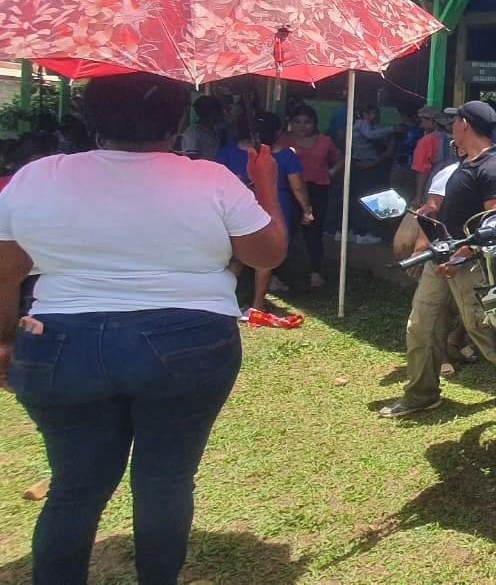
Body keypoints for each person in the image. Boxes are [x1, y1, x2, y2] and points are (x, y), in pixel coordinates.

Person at [0, 72, 286, 583]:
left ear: (90, 118)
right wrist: (264, 181)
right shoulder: (210, 179)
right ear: (177, 121)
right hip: (188, 342)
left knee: (74, 488)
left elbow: (6, 271)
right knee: (165, 481)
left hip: (60, 344)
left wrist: (4, 342)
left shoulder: (37, 177)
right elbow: (266, 254)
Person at [379, 100, 496, 418]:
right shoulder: (465, 164)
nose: (451, 126)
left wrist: (460, 256)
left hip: (468, 265)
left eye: (455, 121)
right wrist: (430, 225)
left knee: (482, 329)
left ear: (465, 124)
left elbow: (494, 222)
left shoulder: (492, 168)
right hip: (440, 259)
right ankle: (422, 394)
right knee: (421, 325)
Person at [219, 112, 314, 312]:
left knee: (236, 256)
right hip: (275, 208)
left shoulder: (228, 152)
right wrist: (307, 210)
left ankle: (223, 300)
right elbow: (297, 186)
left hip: (238, 208)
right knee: (265, 258)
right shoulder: (286, 155)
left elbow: (216, 181)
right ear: (277, 132)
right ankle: (257, 305)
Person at [287, 107, 339, 289]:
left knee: (314, 233)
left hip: (318, 190)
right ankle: (278, 272)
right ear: (291, 123)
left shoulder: (325, 141)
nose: (302, 126)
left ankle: (315, 272)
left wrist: (333, 170)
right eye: (297, 122)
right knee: (288, 230)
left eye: (307, 122)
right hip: (291, 190)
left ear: (314, 123)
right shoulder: (284, 141)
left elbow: (340, 158)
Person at [345, 104, 392, 245]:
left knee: (363, 197)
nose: (375, 117)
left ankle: (357, 230)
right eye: (372, 113)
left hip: (368, 166)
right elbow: (371, 135)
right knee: (365, 198)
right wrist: (392, 129)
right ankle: (362, 232)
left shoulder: (371, 127)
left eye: (377, 114)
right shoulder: (361, 124)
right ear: (364, 114)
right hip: (364, 166)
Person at [410, 107, 457, 203]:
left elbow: (422, 172)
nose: (421, 125)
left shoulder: (427, 141)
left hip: (434, 191)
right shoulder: (458, 139)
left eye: (422, 121)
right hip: (455, 188)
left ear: (433, 122)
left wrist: (418, 196)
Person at [179, 95, 225, 161]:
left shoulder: (216, 131)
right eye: (220, 111)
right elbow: (191, 160)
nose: (223, 113)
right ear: (214, 113)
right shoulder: (192, 132)